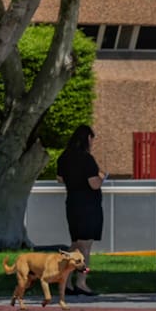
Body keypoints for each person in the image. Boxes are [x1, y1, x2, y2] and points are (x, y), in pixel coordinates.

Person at [55, 124, 106, 296]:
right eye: (92, 139)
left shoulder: (64, 157)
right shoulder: (86, 159)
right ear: (87, 139)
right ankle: (82, 282)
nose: (92, 143)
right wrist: (102, 177)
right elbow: (93, 184)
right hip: (88, 205)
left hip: (72, 203)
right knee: (85, 246)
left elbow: (59, 179)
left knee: (75, 244)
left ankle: (66, 281)